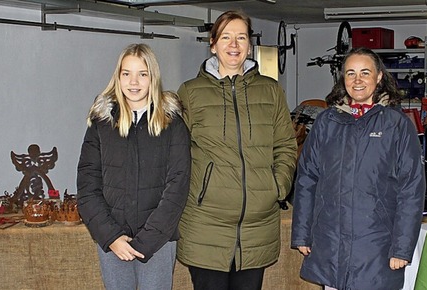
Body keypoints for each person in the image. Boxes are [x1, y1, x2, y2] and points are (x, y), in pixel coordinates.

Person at [176, 10, 297, 290]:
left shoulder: (270, 90)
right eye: (226, 37)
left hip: (257, 225)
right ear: (213, 44)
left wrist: (277, 186)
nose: (234, 45)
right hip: (206, 224)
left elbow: (286, 146)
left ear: (249, 45)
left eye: (241, 37)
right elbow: (175, 154)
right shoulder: (190, 92)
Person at [291, 47, 426, 290]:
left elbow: (411, 189)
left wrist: (402, 248)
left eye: (365, 72)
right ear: (343, 79)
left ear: (379, 77)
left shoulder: (396, 125)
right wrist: (302, 233)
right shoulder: (326, 122)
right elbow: (307, 179)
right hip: (330, 244)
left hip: (376, 248)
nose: (358, 80)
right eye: (350, 73)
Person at [77, 43, 191, 290]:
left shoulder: (172, 125)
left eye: (143, 73)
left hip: (158, 242)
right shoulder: (101, 124)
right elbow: (87, 187)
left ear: (153, 78)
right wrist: (112, 237)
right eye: (126, 73)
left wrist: (147, 241)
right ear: (118, 77)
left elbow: (177, 188)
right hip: (112, 241)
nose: (134, 81)